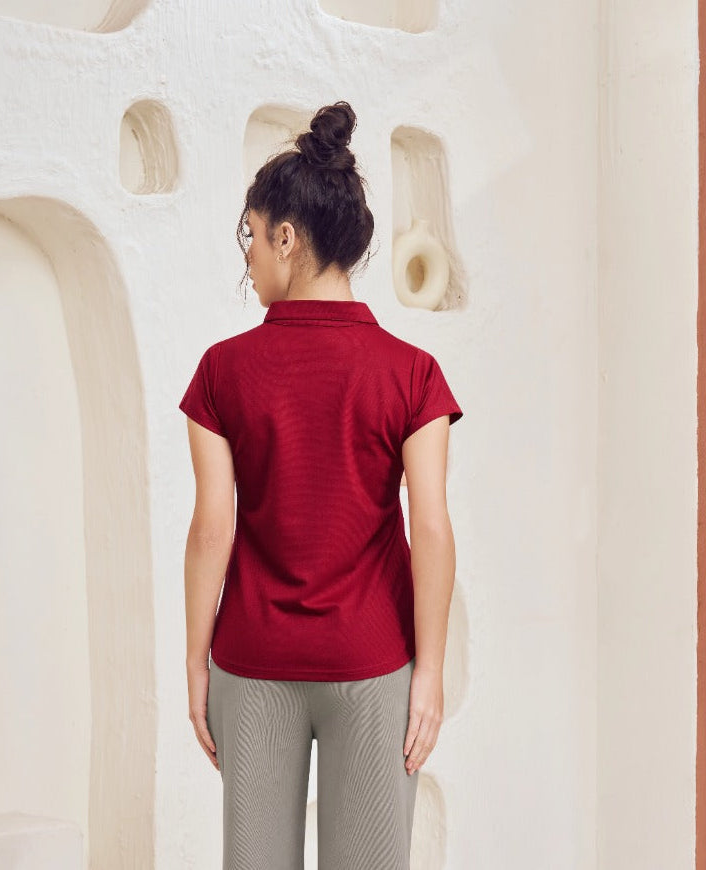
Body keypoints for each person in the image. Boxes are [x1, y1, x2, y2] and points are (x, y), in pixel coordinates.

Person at [179, 100, 463, 870]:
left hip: (252, 661)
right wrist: (428, 674)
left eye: (250, 235)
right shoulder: (413, 374)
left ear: (286, 236)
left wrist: (195, 661)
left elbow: (213, 527)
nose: (247, 257)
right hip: (373, 665)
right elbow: (430, 528)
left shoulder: (220, 372)